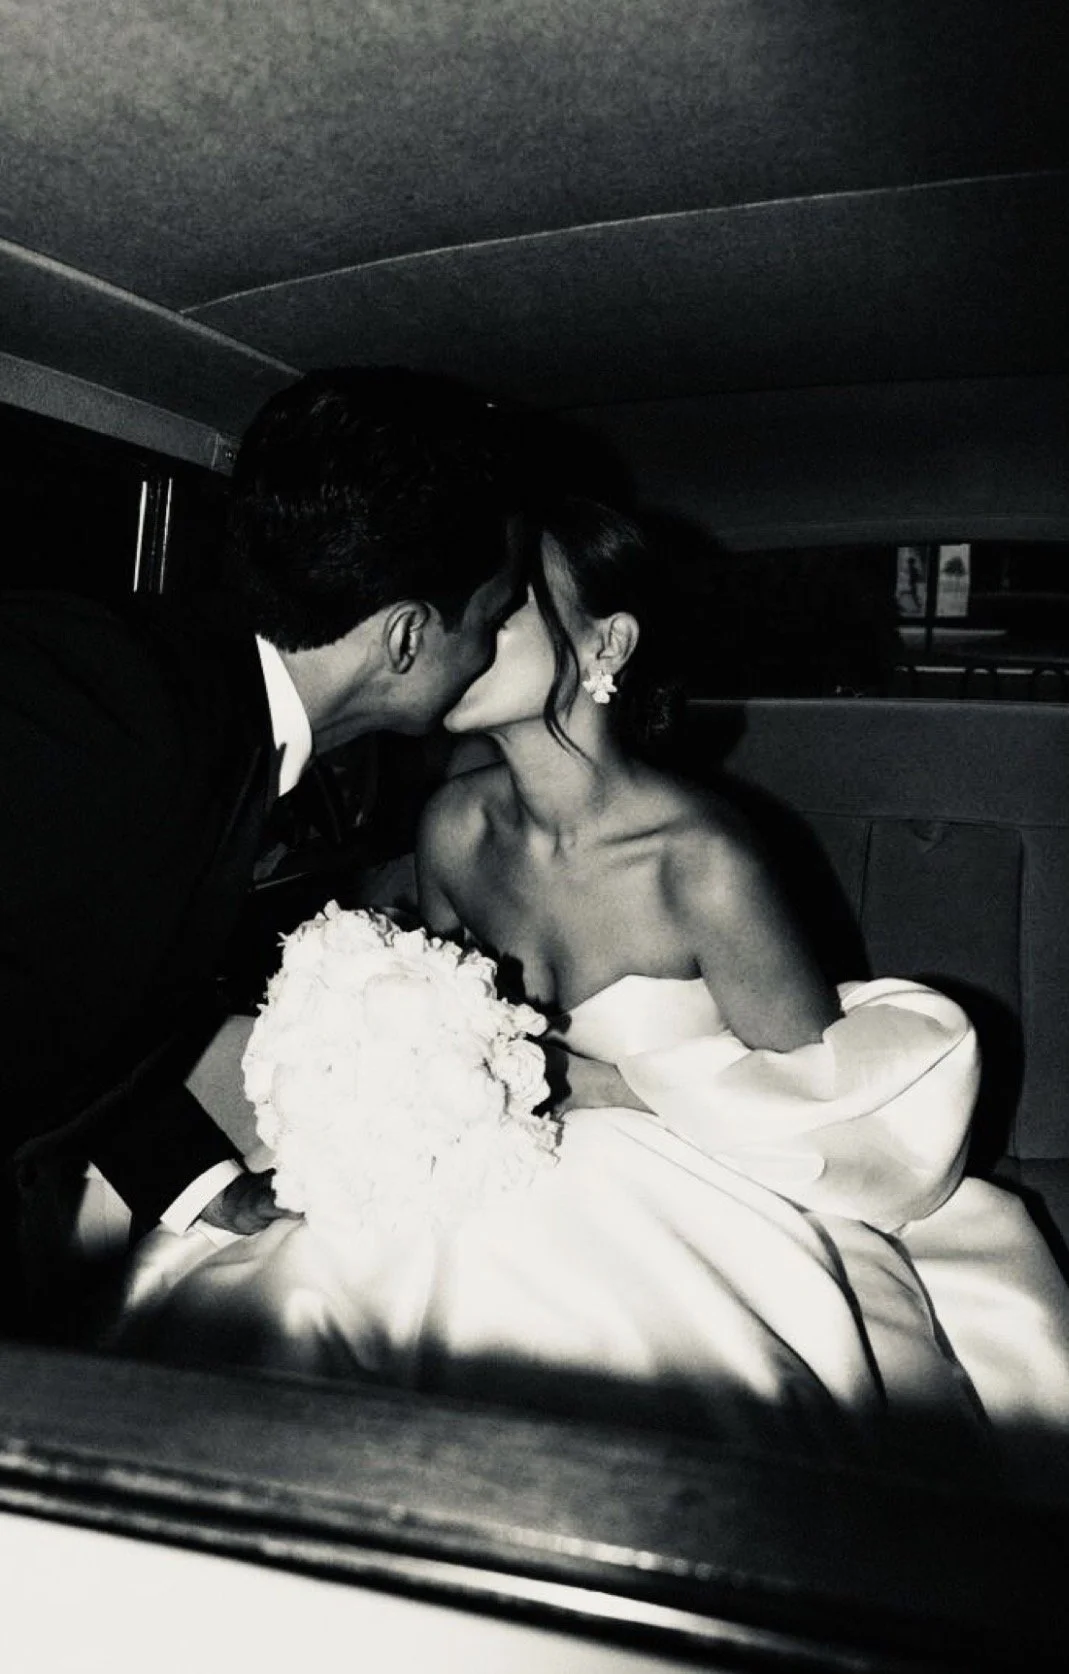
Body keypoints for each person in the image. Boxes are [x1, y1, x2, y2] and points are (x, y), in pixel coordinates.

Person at [105, 500, 1069, 1490]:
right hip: (478, 1166)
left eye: (507, 604)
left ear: (604, 642)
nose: (462, 622)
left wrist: (605, 1089)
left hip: (686, 1183)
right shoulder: (454, 828)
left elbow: (820, 1105)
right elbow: (436, 1027)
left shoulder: (700, 860)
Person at [0, 366, 528, 1334]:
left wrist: (202, 1184)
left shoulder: (206, 711)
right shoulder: (118, 714)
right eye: (489, 623)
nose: (492, 651)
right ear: (407, 638)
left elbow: (63, 980)